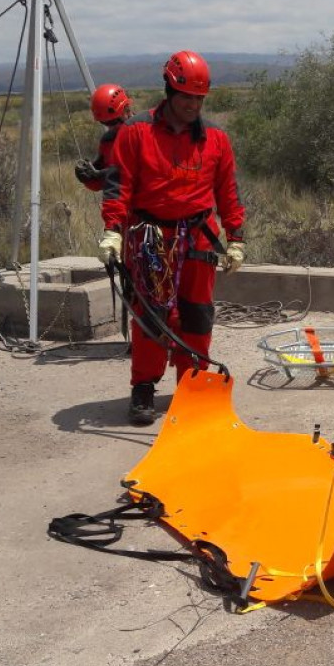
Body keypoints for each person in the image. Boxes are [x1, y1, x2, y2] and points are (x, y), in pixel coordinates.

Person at [98, 50, 246, 426]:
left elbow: (227, 192)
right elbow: (118, 187)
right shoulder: (135, 133)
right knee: (151, 316)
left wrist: (236, 237)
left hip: (198, 237)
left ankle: (192, 387)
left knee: (196, 315)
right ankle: (144, 389)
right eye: (186, 98)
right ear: (169, 92)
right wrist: (113, 232)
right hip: (150, 238)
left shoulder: (215, 138)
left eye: (199, 99)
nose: (193, 105)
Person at [75, 83, 134, 194]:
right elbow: (101, 184)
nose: (110, 127)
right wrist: (88, 177)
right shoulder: (108, 141)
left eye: (113, 122)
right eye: (105, 123)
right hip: (118, 205)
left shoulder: (145, 132)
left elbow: (138, 173)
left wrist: (103, 173)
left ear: (126, 110)